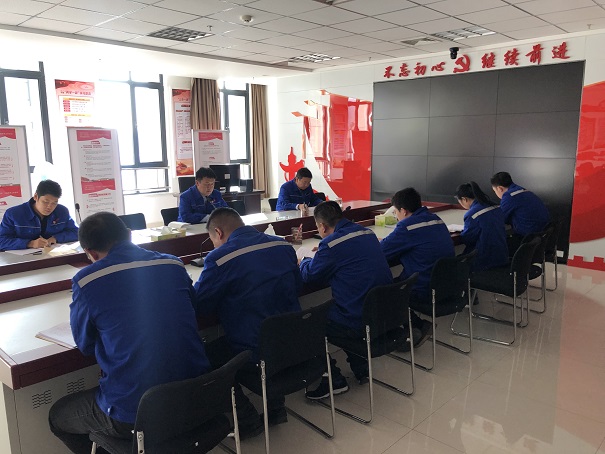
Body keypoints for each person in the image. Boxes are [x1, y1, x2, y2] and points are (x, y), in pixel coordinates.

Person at [49, 212, 210, 454]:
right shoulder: (173, 264)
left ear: (90, 253)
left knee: (58, 416)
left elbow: (85, 345)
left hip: (136, 412)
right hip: (198, 395)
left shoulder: (87, 280)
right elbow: (192, 308)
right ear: (129, 234)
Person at [193, 207, 302, 438]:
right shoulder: (282, 245)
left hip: (256, 352)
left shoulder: (220, 258)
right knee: (268, 326)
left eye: (213, 241)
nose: (214, 246)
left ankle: (246, 418)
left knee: (205, 355)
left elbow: (201, 305)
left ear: (218, 233)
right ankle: (276, 408)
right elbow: (298, 285)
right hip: (293, 343)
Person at [300, 201, 393, 400]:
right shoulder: (366, 233)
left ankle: (334, 380)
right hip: (384, 314)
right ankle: (361, 368)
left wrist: (305, 261)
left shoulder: (331, 245)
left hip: (358, 321)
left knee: (309, 323)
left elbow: (310, 276)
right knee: (351, 304)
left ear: (322, 226)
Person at [380, 188, 455, 346]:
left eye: (396, 212)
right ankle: (416, 326)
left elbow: (382, 251)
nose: (396, 216)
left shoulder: (407, 227)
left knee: (383, 290)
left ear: (403, 211)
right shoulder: (435, 219)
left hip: (423, 287)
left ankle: (409, 330)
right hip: (446, 284)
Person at [0, 179, 78, 250]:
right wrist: (30, 243)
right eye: (45, 202)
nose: (50, 207)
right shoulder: (13, 214)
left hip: (53, 255)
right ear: (36, 197)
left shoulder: (62, 211)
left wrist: (56, 238)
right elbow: (2, 241)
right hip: (21, 258)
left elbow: (76, 232)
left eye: (54, 203)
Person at [491, 172, 550, 254]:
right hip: (540, 236)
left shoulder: (509, 196)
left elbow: (500, 218)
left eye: (494, 191)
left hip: (527, 238)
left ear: (500, 188)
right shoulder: (523, 190)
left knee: (494, 245)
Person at [455, 181, 509, 271]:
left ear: (464, 199)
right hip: (502, 255)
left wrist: (463, 233)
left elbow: (468, 239)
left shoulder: (472, 214)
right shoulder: (495, 206)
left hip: (484, 259)